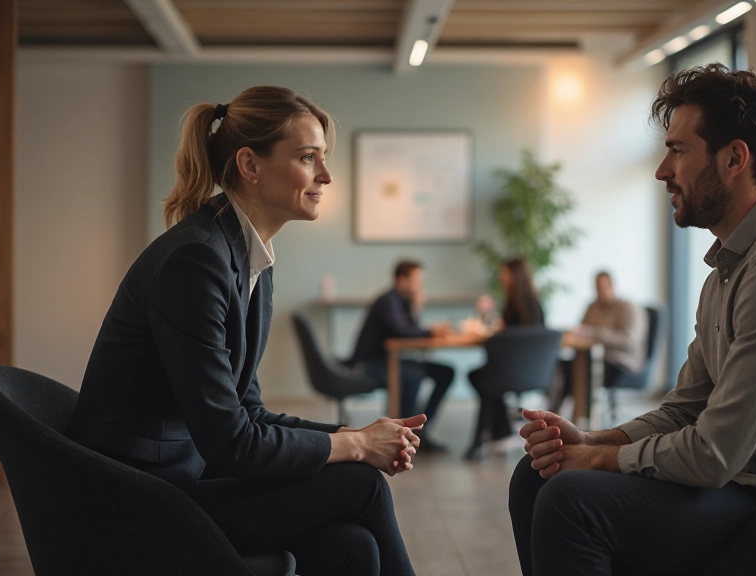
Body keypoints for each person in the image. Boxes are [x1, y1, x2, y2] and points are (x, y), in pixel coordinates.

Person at [508, 64, 756, 576]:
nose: (662, 171)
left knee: (572, 499)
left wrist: (595, 462)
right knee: (536, 477)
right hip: (748, 482)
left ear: (734, 158)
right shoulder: (732, 268)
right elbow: (685, 410)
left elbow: (712, 454)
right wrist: (591, 442)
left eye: (678, 151)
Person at [66, 86, 420, 576]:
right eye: (307, 157)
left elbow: (248, 411)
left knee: (350, 545)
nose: (326, 175)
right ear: (250, 165)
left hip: (186, 477)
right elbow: (232, 443)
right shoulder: (197, 261)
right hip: (140, 502)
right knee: (361, 483)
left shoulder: (250, 262)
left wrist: (357, 433)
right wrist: (357, 447)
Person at [351, 260, 455, 452]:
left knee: (446, 372)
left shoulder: (402, 302)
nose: (419, 287)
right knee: (412, 375)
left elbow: (410, 331)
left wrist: (416, 307)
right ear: (402, 280)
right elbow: (401, 332)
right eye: (416, 281)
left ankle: (419, 431)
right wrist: (431, 331)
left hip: (390, 360)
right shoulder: (387, 301)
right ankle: (401, 437)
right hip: (371, 364)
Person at [466, 258, 546, 459]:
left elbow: (507, 338)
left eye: (504, 274)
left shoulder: (515, 305)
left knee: (484, 381)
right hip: (535, 372)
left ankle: (481, 441)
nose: (501, 278)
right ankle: (501, 431)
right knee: (481, 378)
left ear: (512, 277)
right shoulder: (535, 304)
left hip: (513, 372)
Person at [551, 271, 650, 413]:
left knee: (584, 371)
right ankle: (553, 415)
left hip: (621, 362)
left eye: (603, 287)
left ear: (612, 286)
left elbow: (629, 341)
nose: (600, 291)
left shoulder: (628, 308)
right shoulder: (593, 307)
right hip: (593, 357)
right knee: (564, 367)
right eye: (597, 287)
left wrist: (595, 333)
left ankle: (583, 421)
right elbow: (581, 331)